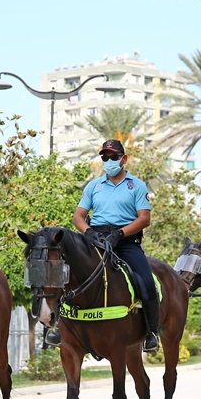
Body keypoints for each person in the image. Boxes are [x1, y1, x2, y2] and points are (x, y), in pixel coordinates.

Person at [44, 139, 159, 352]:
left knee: (146, 281)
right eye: (104, 158)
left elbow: (144, 219)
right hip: (95, 241)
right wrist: (89, 233)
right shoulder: (93, 186)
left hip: (125, 242)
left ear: (123, 159)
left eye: (113, 157)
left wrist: (120, 234)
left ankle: (152, 333)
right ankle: (59, 326)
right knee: (66, 275)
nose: (108, 161)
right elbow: (78, 216)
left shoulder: (137, 185)